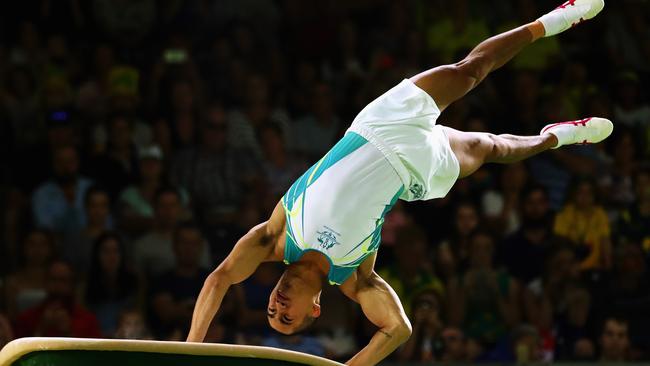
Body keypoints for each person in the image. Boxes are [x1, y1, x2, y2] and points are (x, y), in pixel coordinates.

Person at [187, 2, 612, 365]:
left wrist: (187, 351)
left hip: (379, 126)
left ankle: (554, 20)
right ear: (315, 310)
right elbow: (399, 329)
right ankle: (560, 135)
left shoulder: (274, 238)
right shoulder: (355, 275)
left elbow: (219, 279)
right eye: (285, 318)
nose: (276, 307)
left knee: (470, 70)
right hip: (416, 169)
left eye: (271, 310)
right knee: (495, 148)